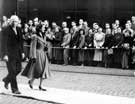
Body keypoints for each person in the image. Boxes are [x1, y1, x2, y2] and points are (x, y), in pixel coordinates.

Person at [22, 25, 51, 91]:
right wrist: (33, 56)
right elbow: (33, 47)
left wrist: (46, 48)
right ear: (39, 29)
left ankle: (41, 85)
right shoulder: (35, 36)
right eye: (43, 27)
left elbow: (44, 45)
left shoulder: (44, 36)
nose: (44, 29)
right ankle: (31, 81)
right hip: (37, 54)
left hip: (43, 54)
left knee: (44, 70)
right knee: (38, 70)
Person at [2, 15, 25, 94]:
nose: (16, 23)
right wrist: (5, 54)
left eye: (17, 21)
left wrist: (22, 52)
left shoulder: (19, 29)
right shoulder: (6, 30)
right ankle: (15, 89)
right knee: (12, 71)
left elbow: (21, 42)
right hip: (9, 54)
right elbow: (3, 43)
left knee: (18, 69)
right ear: (11, 21)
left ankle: (6, 79)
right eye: (14, 21)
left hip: (18, 53)